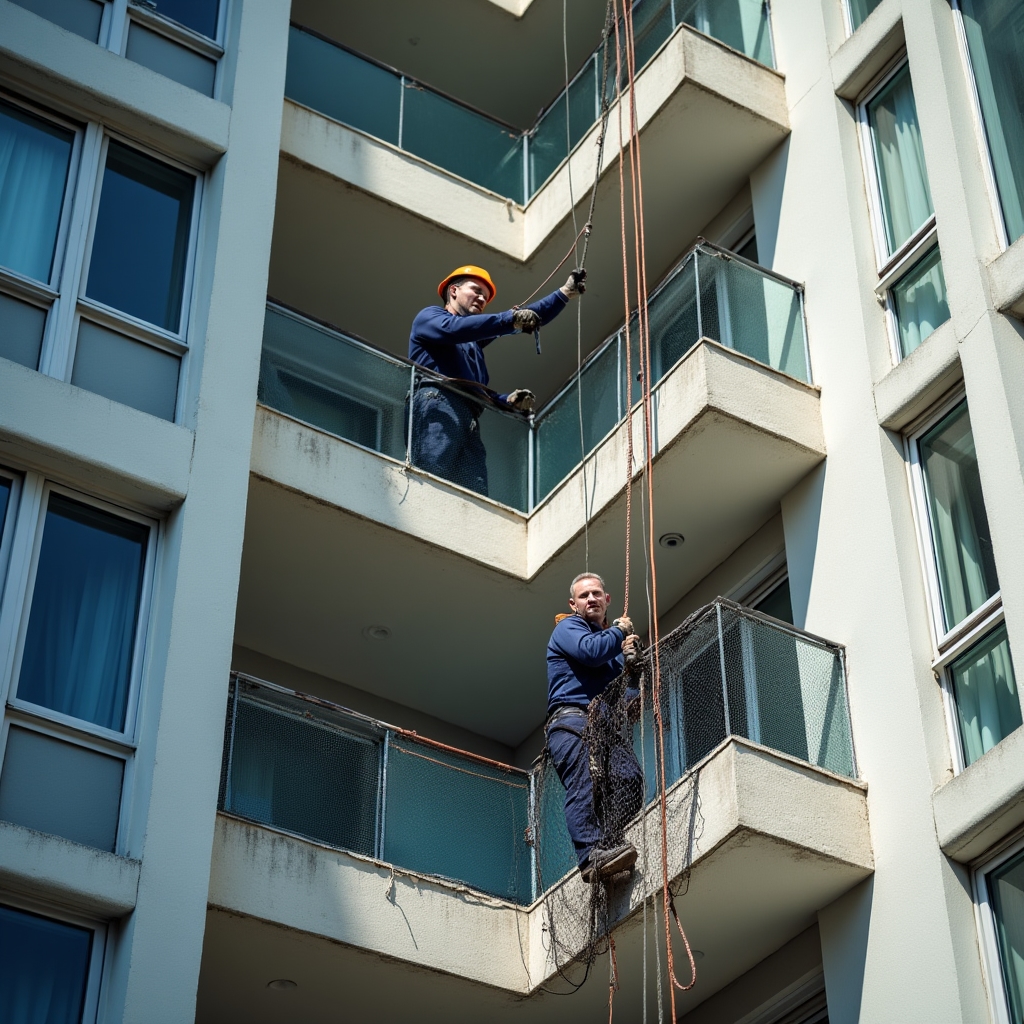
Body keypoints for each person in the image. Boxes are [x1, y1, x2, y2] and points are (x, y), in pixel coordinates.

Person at [407, 264, 584, 496]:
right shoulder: (430, 318)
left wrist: (563, 294)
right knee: (431, 477)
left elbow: (527, 320)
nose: (482, 298)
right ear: (453, 291)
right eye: (476, 290)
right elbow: (454, 329)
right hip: (437, 403)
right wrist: (509, 319)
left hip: (468, 415)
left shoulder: (471, 344)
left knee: (474, 493)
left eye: (486, 296)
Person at [546, 573, 645, 884]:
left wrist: (632, 671)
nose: (591, 599)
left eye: (596, 594)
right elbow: (590, 652)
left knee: (629, 777)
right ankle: (590, 855)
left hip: (604, 726)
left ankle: (609, 842)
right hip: (572, 721)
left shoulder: (611, 651)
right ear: (573, 604)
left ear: (607, 599)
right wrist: (618, 632)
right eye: (584, 595)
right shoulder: (569, 629)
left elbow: (628, 704)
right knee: (584, 783)